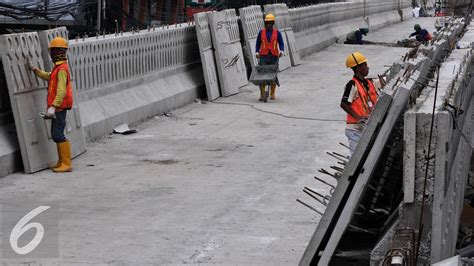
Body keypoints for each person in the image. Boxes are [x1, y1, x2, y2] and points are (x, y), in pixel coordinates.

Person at [28, 37, 73, 172]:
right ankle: (61, 162)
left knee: (57, 134)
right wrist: (35, 70)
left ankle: (66, 163)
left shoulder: (62, 69)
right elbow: (49, 76)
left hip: (59, 107)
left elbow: (61, 90)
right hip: (58, 107)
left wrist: (53, 106)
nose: (51, 54)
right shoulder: (58, 68)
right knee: (56, 133)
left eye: (53, 51)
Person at [341, 52, 382, 155]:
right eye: (365, 65)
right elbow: (344, 104)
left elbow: (385, 79)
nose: (368, 67)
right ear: (358, 68)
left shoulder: (369, 82)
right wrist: (358, 118)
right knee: (357, 158)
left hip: (365, 127)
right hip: (355, 129)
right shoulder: (352, 85)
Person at [255, 13, 284, 101]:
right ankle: (262, 93)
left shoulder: (277, 33)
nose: (269, 24)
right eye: (267, 23)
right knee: (262, 75)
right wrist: (256, 52)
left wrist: (281, 51)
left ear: (273, 23)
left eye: (270, 23)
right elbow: (258, 43)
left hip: (274, 56)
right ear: (265, 23)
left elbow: (281, 43)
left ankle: (272, 93)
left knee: (273, 75)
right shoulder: (261, 32)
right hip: (263, 56)